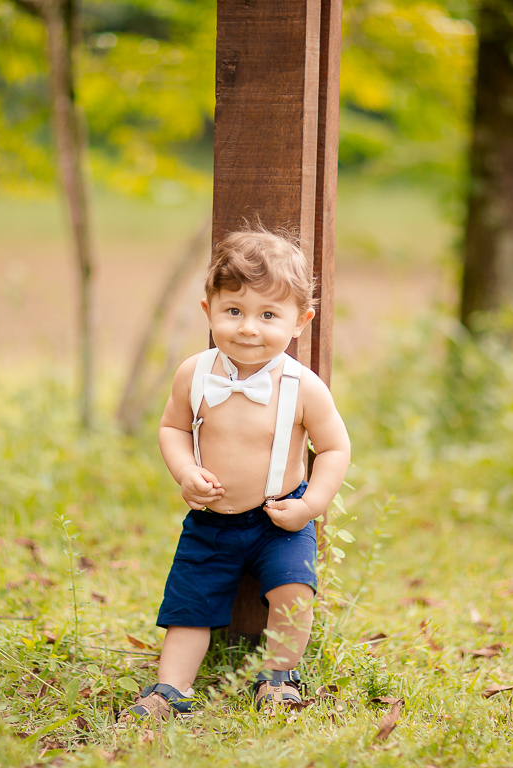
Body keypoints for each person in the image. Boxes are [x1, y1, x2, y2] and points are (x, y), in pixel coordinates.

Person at [122, 225, 351, 721]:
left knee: (293, 592)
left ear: (300, 321)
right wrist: (185, 470)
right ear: (209, 311)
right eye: (233, 311)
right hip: (212, 521)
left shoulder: (303, 387)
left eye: (268, 315)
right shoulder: (194, 373)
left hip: (278, 519)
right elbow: (172, 427)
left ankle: (278, 676)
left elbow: (335, 447)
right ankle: (171, 689)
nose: (248, 328)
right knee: (189, 605)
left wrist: (310, 506)